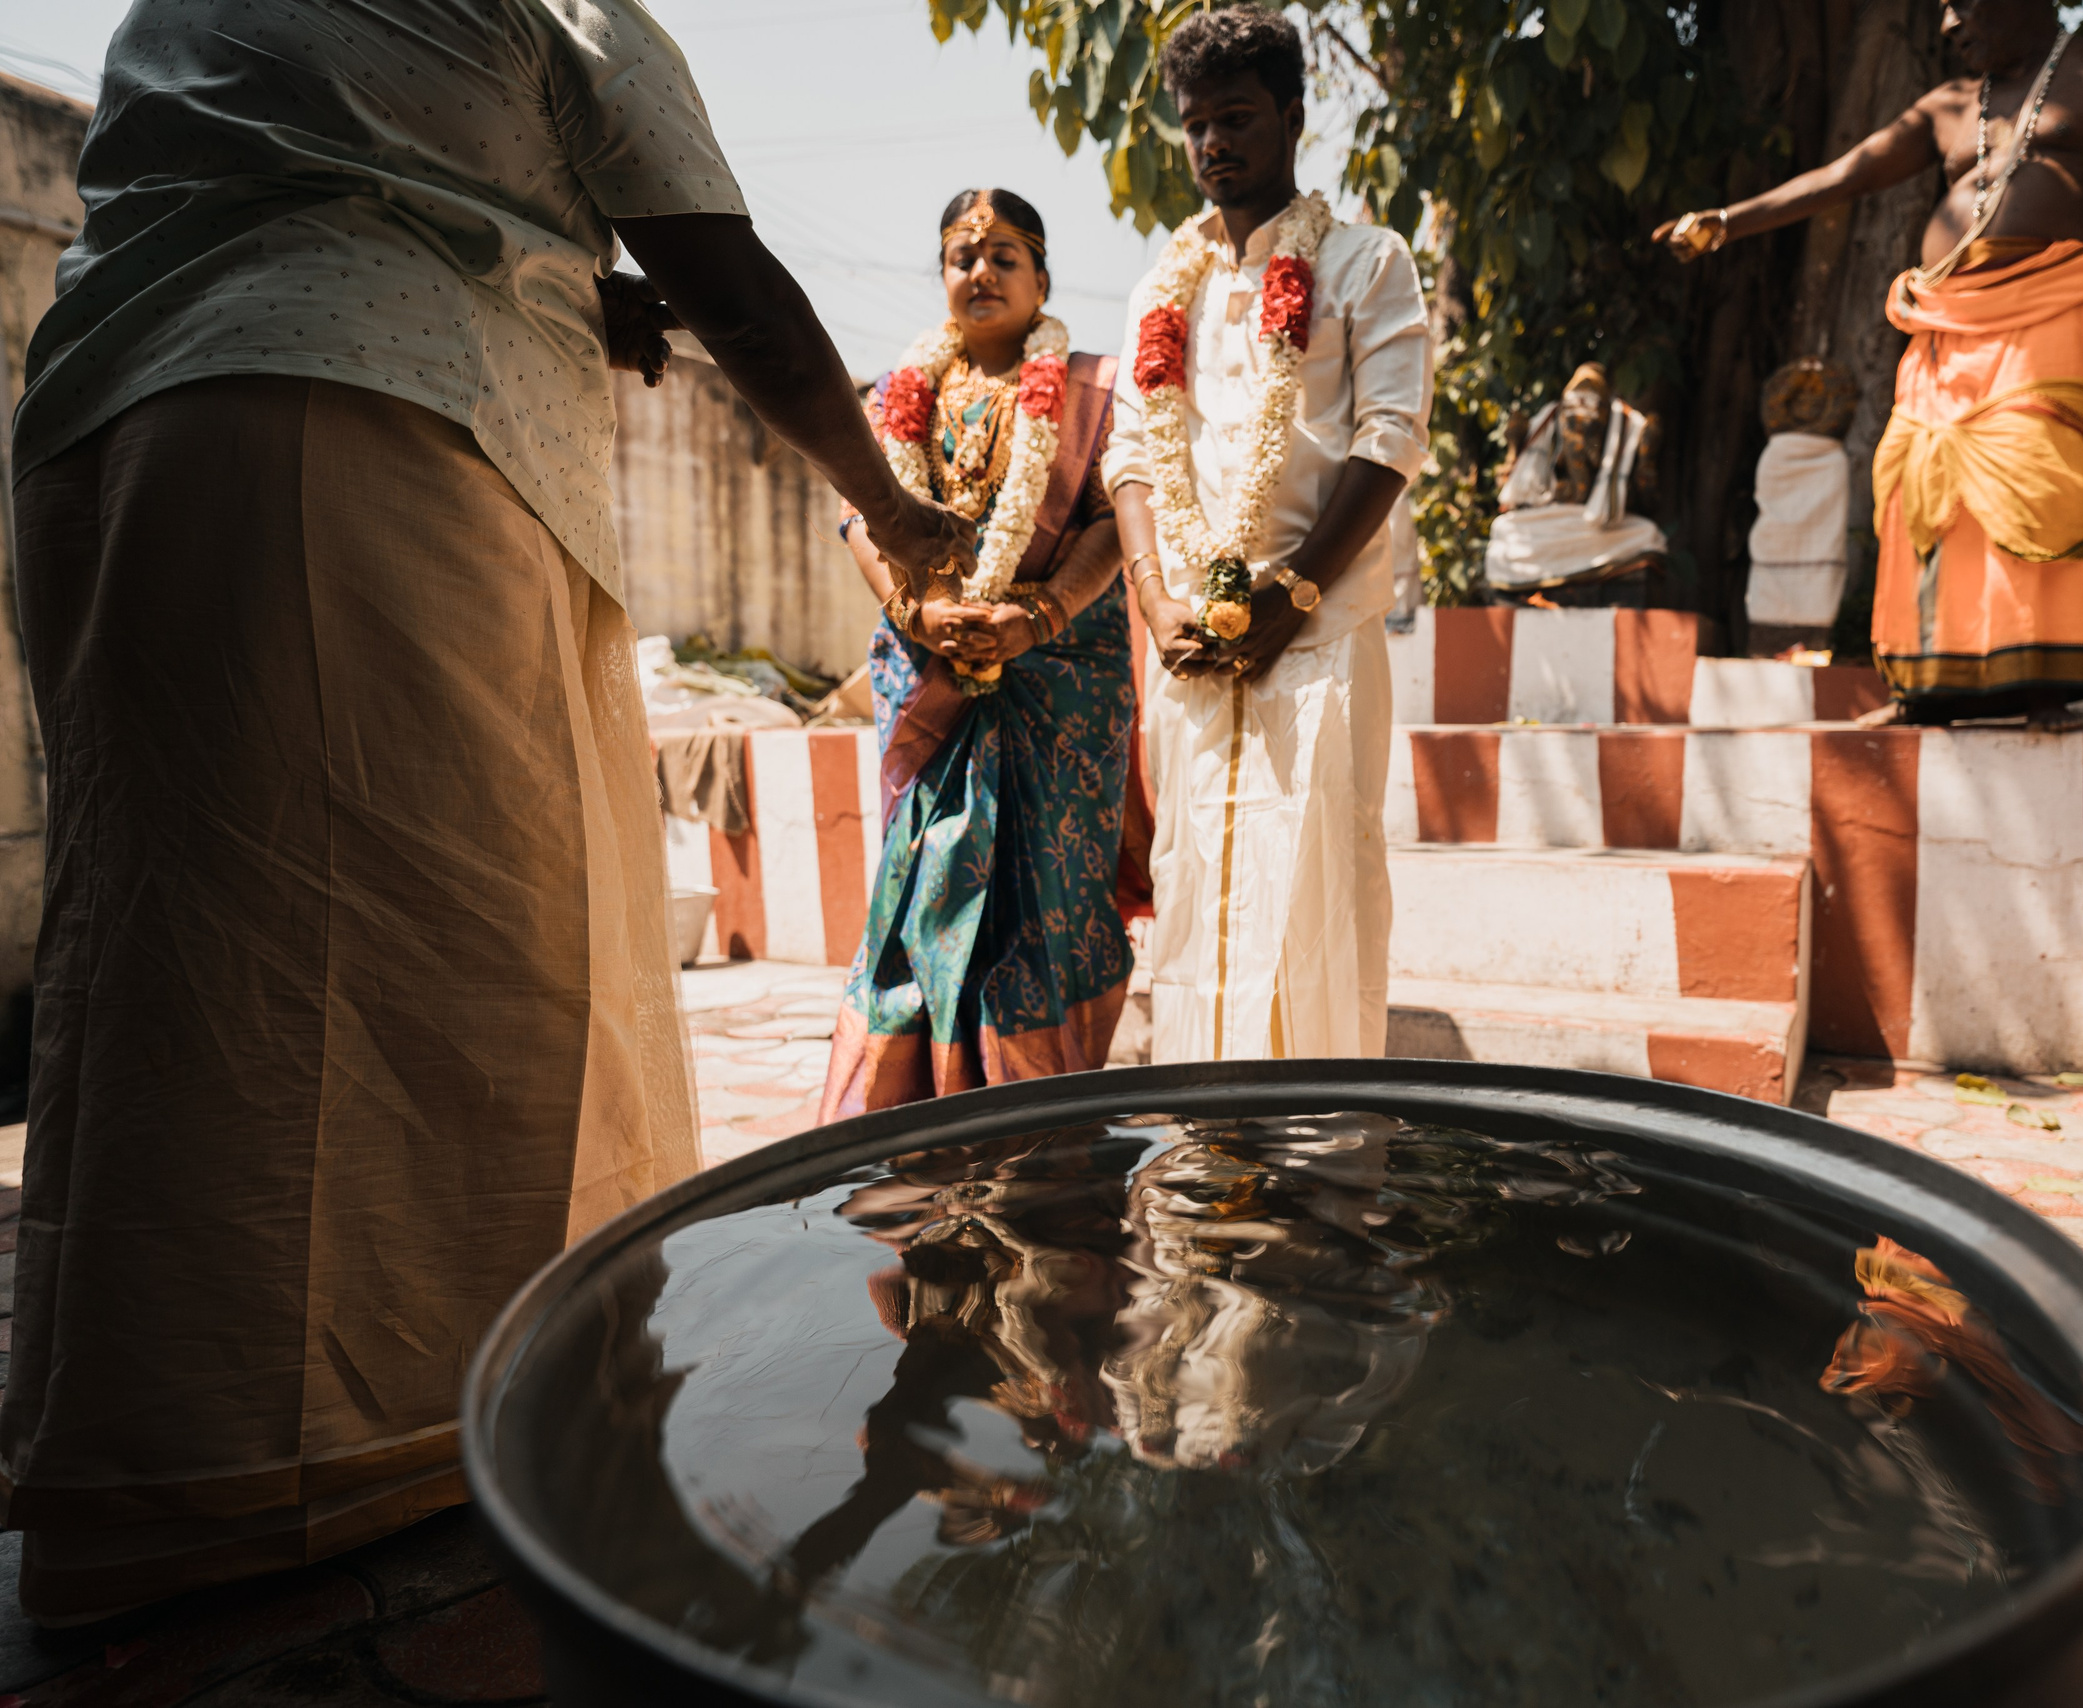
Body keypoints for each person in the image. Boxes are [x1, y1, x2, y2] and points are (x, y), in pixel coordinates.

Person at [3, 0, 967, 1621]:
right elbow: (741, 295)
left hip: (106, 440)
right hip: (348, 439)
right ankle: (393, 1448)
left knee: (190, 966)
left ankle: (166, 1455)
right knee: (482, 958)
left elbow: (326, 177)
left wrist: (560, 290)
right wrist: (892, 507)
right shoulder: (563, 12)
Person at [1656, 0, 2083, 726]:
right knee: (1916, 480)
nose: (1947, 25)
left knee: (2031, 470)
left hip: (2052, 305)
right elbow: (1845, 176)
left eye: (1961, 4)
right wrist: (1728, 222)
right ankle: (1930, 688)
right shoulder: (1950, 104)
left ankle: (2042, 681)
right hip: (1945, 317)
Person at [1105, 7, 1430, 1061]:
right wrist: (1158, 605)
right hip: (1194, 650)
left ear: (1292, 117)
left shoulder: (1366, 261)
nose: (1212, 144)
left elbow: (1388, 440)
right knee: (1197, 893)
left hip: (1320, 638)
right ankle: (1211, 1158)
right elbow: (1132, 460)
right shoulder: (1164, 285)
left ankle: (1315, 1161)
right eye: (1194, 124)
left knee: (1315, 895)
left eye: (1237, 117)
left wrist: (1289, 600)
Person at [819, 189, 1133, 1112]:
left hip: (1058, 682)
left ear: (1043, 278)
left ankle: (1045, 1108)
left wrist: (1037, 618)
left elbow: (1116, 521)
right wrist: (918, 614)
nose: (981, 272)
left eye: (1004, 255)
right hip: (932, 673)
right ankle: (918, 1106)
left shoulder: (1094, 391)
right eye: (962, 255)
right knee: (933, 884)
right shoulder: (899, 396)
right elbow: (859, 513)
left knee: (1053, 896)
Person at [1483, 362, 1668, 602]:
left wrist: (1645, 466)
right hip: (1551, 523)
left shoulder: (1628, 427)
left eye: (1589, 407)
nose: (1579, 415)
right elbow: (1515, 490)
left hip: (1605, 525)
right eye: (1573, 408)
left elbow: (1647, 498)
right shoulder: (1547, 423)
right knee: (1503, 529)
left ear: (1604, 409)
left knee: (1646, 534)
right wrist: (1513, 454)